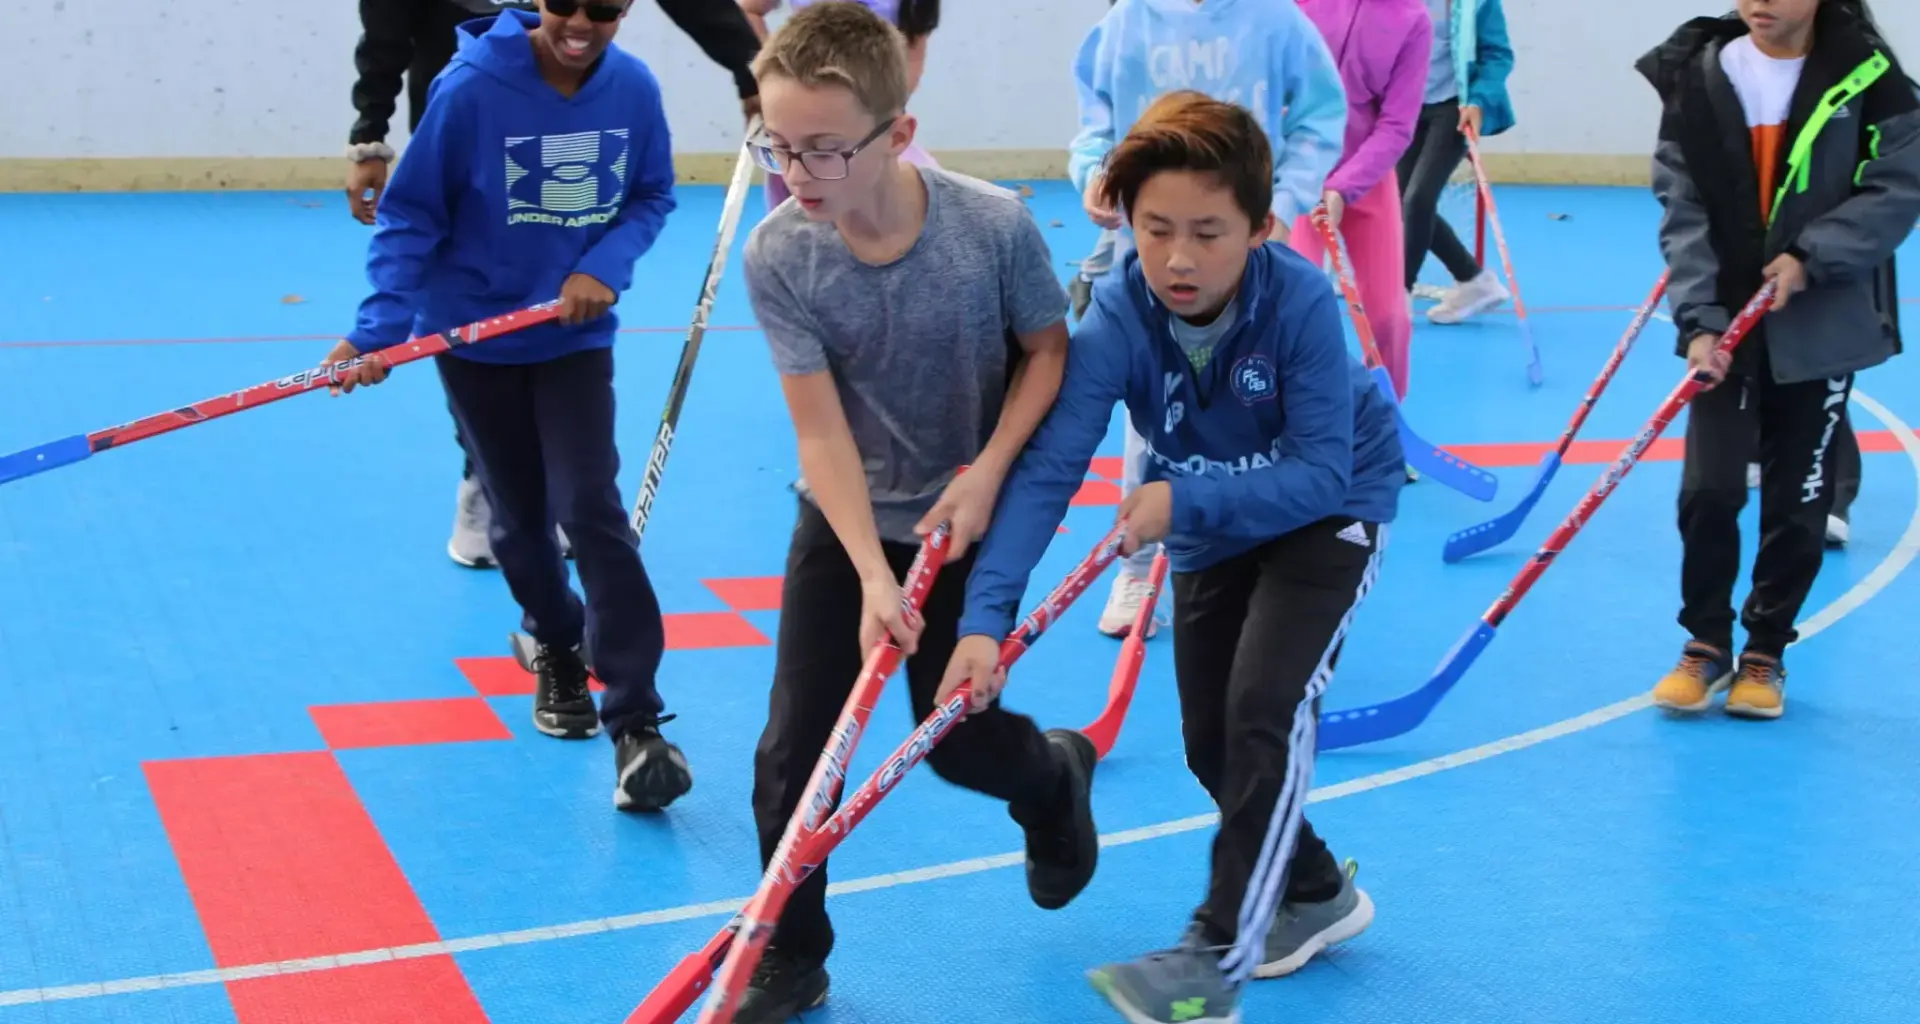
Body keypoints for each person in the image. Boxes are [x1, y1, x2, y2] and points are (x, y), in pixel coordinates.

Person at [946, 91, 1404, 1024]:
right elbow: (1048, 476)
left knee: (1262, 712)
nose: (1179, 258)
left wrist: (1180, 498)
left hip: (1330, 513)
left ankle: (1217, 953)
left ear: (1261, 226)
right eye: (1155, 231)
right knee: (1209, 747)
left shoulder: (1303, 306)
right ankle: (1315, 889)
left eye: (1208, 232)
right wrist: (985, 622)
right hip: (1211, 527)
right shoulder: (1118, 316)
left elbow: (1320, 474)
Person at [734, 4, 1099, 1019]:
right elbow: (820, 434)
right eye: (778, 144)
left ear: (896, 135)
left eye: (823, 150)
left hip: (971, 509)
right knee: (792, 756)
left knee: (956, 743)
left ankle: (1053, 777)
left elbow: (1048, 353)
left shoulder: (990, 226)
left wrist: (986, 470)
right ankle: (792, 952)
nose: (797, 171)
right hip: (854, 511)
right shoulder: (780, 255)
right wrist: (869, 570)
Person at [325, 1, 697, 813]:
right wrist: (378, 331)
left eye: (605, 10)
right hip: (475, 339)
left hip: (572, 341)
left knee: (591, 510)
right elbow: (412, 214)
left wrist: (602, 266)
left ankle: (637, 720)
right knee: (519, 525)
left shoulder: (632, 90)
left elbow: (651, 197)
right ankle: (559, 642)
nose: (582, 23)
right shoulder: (469, 89)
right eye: (567, 3)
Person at [346, 0, 765, 568]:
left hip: (570, 141)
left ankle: (550, 499)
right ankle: (485, 476)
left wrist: (749, 65)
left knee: (578, 460)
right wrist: (370, 133)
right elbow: (388, 24)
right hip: (468, 115)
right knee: (476, 346)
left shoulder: (627, 81)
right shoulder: (465, 86)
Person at [1638, 0, 1919, 720]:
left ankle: (1765, 651)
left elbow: (1897, 186)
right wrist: (1698, 320)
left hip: (1818, 319)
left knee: (1798, 501)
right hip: (1726, 323)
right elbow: (1683, 201)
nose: (1760, 1)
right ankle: (1704, 643)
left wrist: (1811, 257)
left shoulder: (1870, 77)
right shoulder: (1701, 73)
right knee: (1709, 492)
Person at [1064, 0, 1349, 639]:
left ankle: (1268, 553)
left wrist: (1279, 200)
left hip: (1246, 255)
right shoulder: (1122, 26)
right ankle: (1136, 564)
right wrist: (1097, 174)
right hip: (1153, 259)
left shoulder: (1278, 22)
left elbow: (1321, 118)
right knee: (1153, 420)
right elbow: (1094, 126)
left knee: (1263, 417)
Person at [1290, 0, 1434, 407]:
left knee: (1389, 317)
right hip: (1299, 176)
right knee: (1296, 306)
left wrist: (1343, 186)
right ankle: (1297, 422)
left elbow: (1397, 125)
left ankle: (1387, 423)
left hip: (1367, 179)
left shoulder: (1413, 19)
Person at [737, 0, 942, 211]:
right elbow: (748, 9)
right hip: (802, 115)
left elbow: (914, 52)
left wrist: (870, 106)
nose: (797, 177)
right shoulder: (793, 159)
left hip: (869, 112)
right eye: (780, 147)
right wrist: (776, 78)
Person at [1398, 0, 1516, 325]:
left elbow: (1497, 54)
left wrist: (1479, 100)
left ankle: (1398, 293)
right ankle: (1475, 280)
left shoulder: (1477, 3)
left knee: (1418, 198)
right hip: (1407, 105)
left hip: (1454, 106)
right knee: (1401, 201)